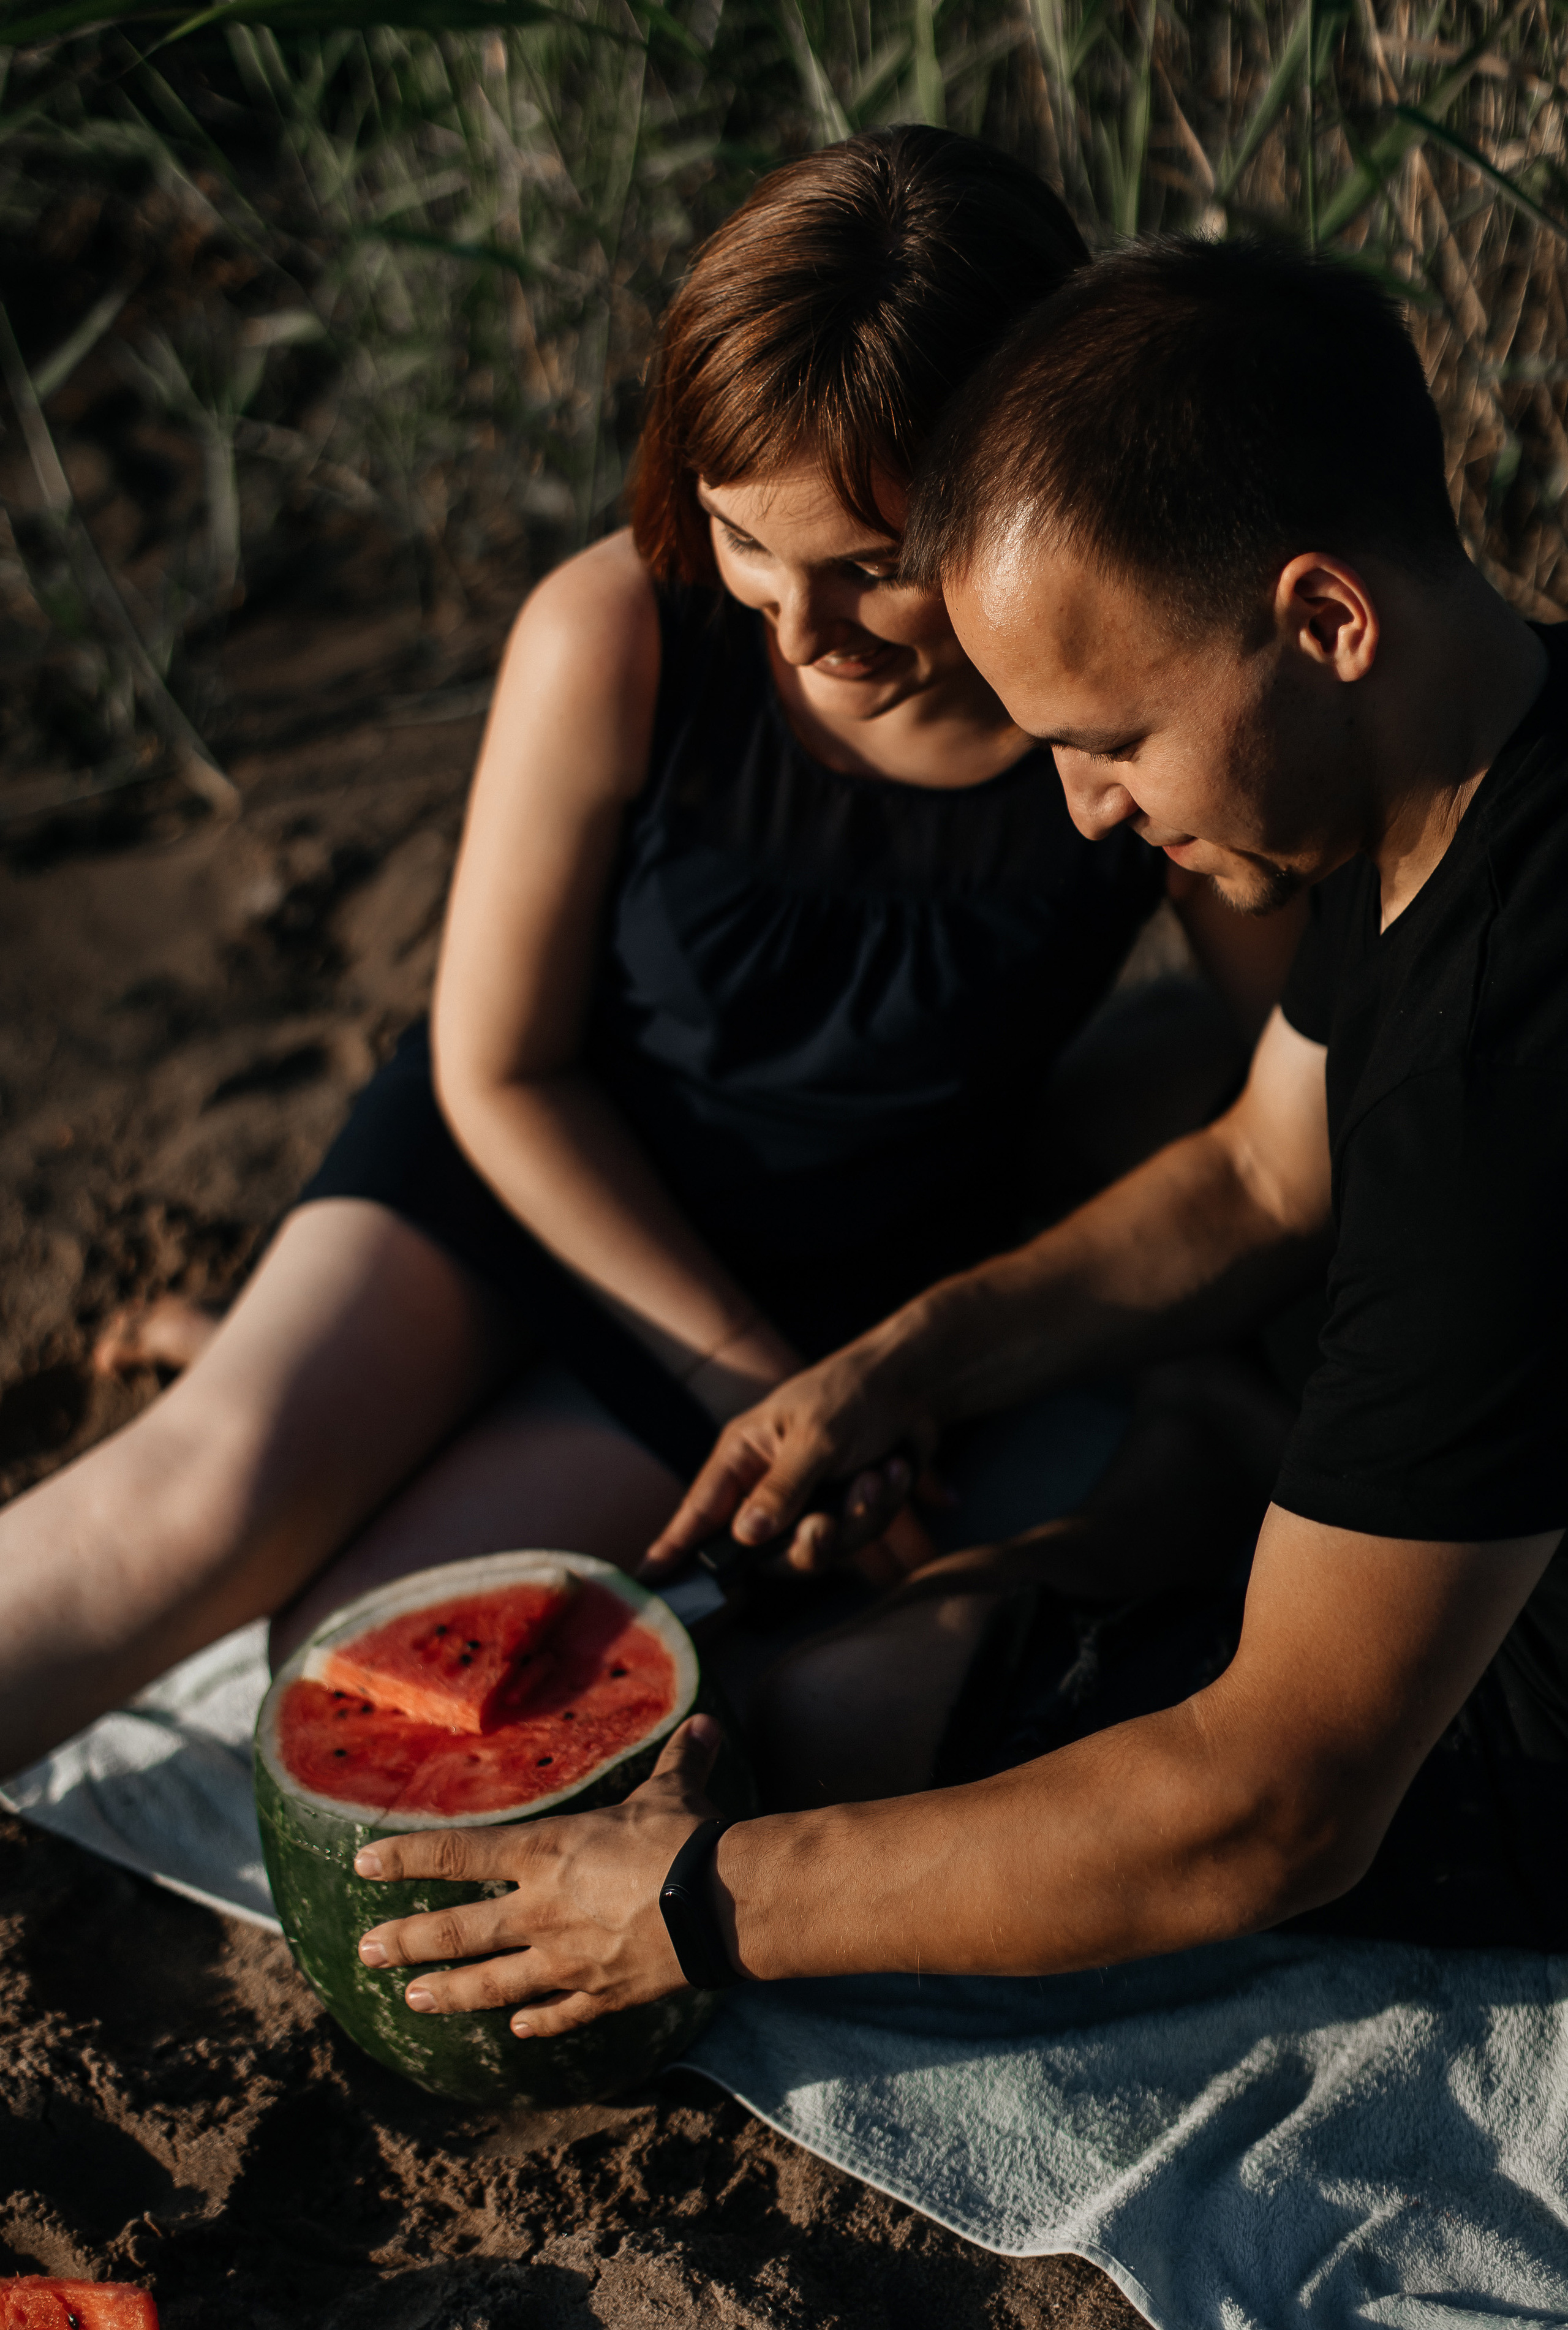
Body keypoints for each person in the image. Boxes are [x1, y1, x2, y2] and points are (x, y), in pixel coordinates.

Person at [344, 236, 1567, 2045]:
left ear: (1324, 620)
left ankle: (1181, 1495)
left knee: (818, 1721)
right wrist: (905, 1364)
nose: (1084, 810)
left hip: (1520, 1736)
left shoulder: (1504, 1065)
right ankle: (1197, 1465)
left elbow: (1274, 1809)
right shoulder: (1475, 743)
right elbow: (1264, 1172)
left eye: (1112, 740)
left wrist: (698, 1908)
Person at [0, 139, 1294, 1781]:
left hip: (830, 1255)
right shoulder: (613, 630)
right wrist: (765, 1396)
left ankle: (318, 1374)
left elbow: (1291, 1064)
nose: (799, 625)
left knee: (338, 1663)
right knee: (189, 1504)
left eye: (872, 569)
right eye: (750, 542)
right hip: (515, 1178)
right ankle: (289, 1361)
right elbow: (496, 1069)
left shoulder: (1110, 711)